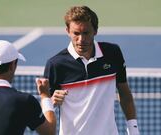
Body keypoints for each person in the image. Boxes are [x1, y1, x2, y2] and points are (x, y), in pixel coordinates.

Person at [44, 6, 140, 135]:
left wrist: (133, 129)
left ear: (95, 31)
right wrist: (52, 101)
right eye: (76, 33)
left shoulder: (112, 53)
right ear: (67, 31)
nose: (81, 40)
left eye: (86, 33)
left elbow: (124, 92)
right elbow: (47, 105)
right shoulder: (56, 64)